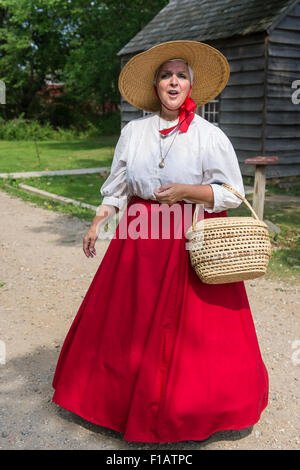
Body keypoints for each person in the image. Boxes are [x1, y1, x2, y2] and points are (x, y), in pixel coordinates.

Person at [52, 40, 269, 443]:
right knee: (127, 323)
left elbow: (230, 192)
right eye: (166, 75)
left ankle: (192, 409)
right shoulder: (134, 132)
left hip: (189, 236)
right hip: (139, 238)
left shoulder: (209, 135)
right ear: (156, 86)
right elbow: (117, 187)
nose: (173, 82)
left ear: (191, 85)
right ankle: (116, 404)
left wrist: (189, 190)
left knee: (191, 330)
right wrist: (99, 219)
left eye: (181, 75)